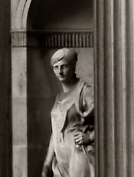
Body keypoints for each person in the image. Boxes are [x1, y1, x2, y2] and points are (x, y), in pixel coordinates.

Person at [40, 48, 95, 177]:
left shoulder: (85, 91)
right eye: (56, 67)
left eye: (64, 66)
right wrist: (47, 164)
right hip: (60, 163)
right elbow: (56, 132)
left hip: (78, 156)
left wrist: (90, 137)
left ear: (73, 66)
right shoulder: (59, 97)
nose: (60, 71)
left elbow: (107, 123)